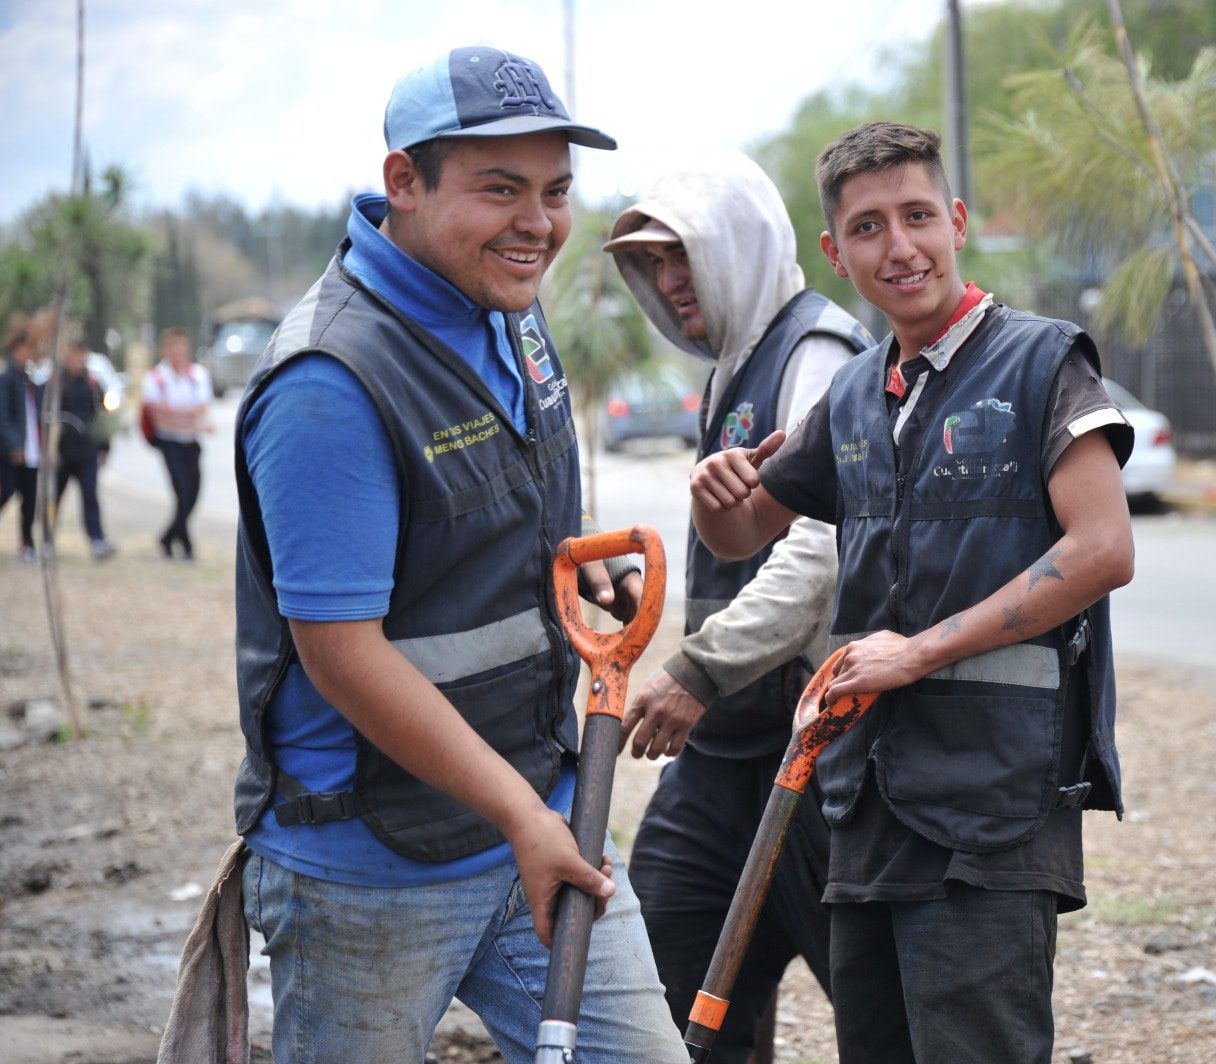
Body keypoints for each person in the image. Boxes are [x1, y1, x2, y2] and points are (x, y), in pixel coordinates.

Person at [223, 45, 685, 1063]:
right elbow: (342, 650)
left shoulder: (507, 310)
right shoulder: (328, 379)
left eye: (557, 191)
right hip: (367, 865)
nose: (539, 224)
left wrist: (570, 561)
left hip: (539, 807)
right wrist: (524, 815)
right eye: (500, 189)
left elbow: (497, 507)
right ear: (405, 182)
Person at [688, 122, 1136, 1064]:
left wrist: (921, 652)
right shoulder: (853, 395)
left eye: (918, 216)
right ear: (835, 252)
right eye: (867, 227)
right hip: (865, 807)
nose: (899, 247)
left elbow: (1102, 550)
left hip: (995, 804)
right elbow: (742, 533)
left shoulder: (1044, 363)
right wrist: (713, 495)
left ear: (958, 222)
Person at [601, 151, 872, 1060]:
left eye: (683, 255)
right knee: (671, 998)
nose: (670, 282)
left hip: (813, 757)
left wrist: (700, 666)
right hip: (722, 762)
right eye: (653, 264)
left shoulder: (816, 353)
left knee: (882, 1016)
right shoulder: (735, 365)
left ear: (739, 246)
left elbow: (822, 549)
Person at [141, 326, 212, 559]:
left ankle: (168, 536)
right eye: (172, 346)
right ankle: (186, 544)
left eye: (181, 346)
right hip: (169, 443)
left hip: (191, 443)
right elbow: (160, 416)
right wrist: (190, 418)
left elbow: (201, 408)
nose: (177, 351)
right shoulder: (155, 378)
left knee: (193, 493)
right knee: (181, 492)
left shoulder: (198, 375)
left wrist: (179, 416)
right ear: (165, 349)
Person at [51, 336, 116, 560]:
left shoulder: (94, 383)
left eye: (81, 354)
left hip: (87, 451)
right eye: (73, 354)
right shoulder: (54, 383)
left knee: (90, 496)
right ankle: (47, 540)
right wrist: (51, 450)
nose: (77, 359)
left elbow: (103, 418)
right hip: (61, 453)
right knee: (54, 498)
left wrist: (105, 448)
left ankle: (97, 540)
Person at [0, 314, 43, 562]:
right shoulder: (6, 380)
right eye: (27, 348)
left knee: (30, 500)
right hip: (12, 451)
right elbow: (3, 416)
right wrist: (13, 445)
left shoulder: (30, 380)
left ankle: (27, 542)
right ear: (17, 348)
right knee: (7, 492)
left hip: (32, 451)